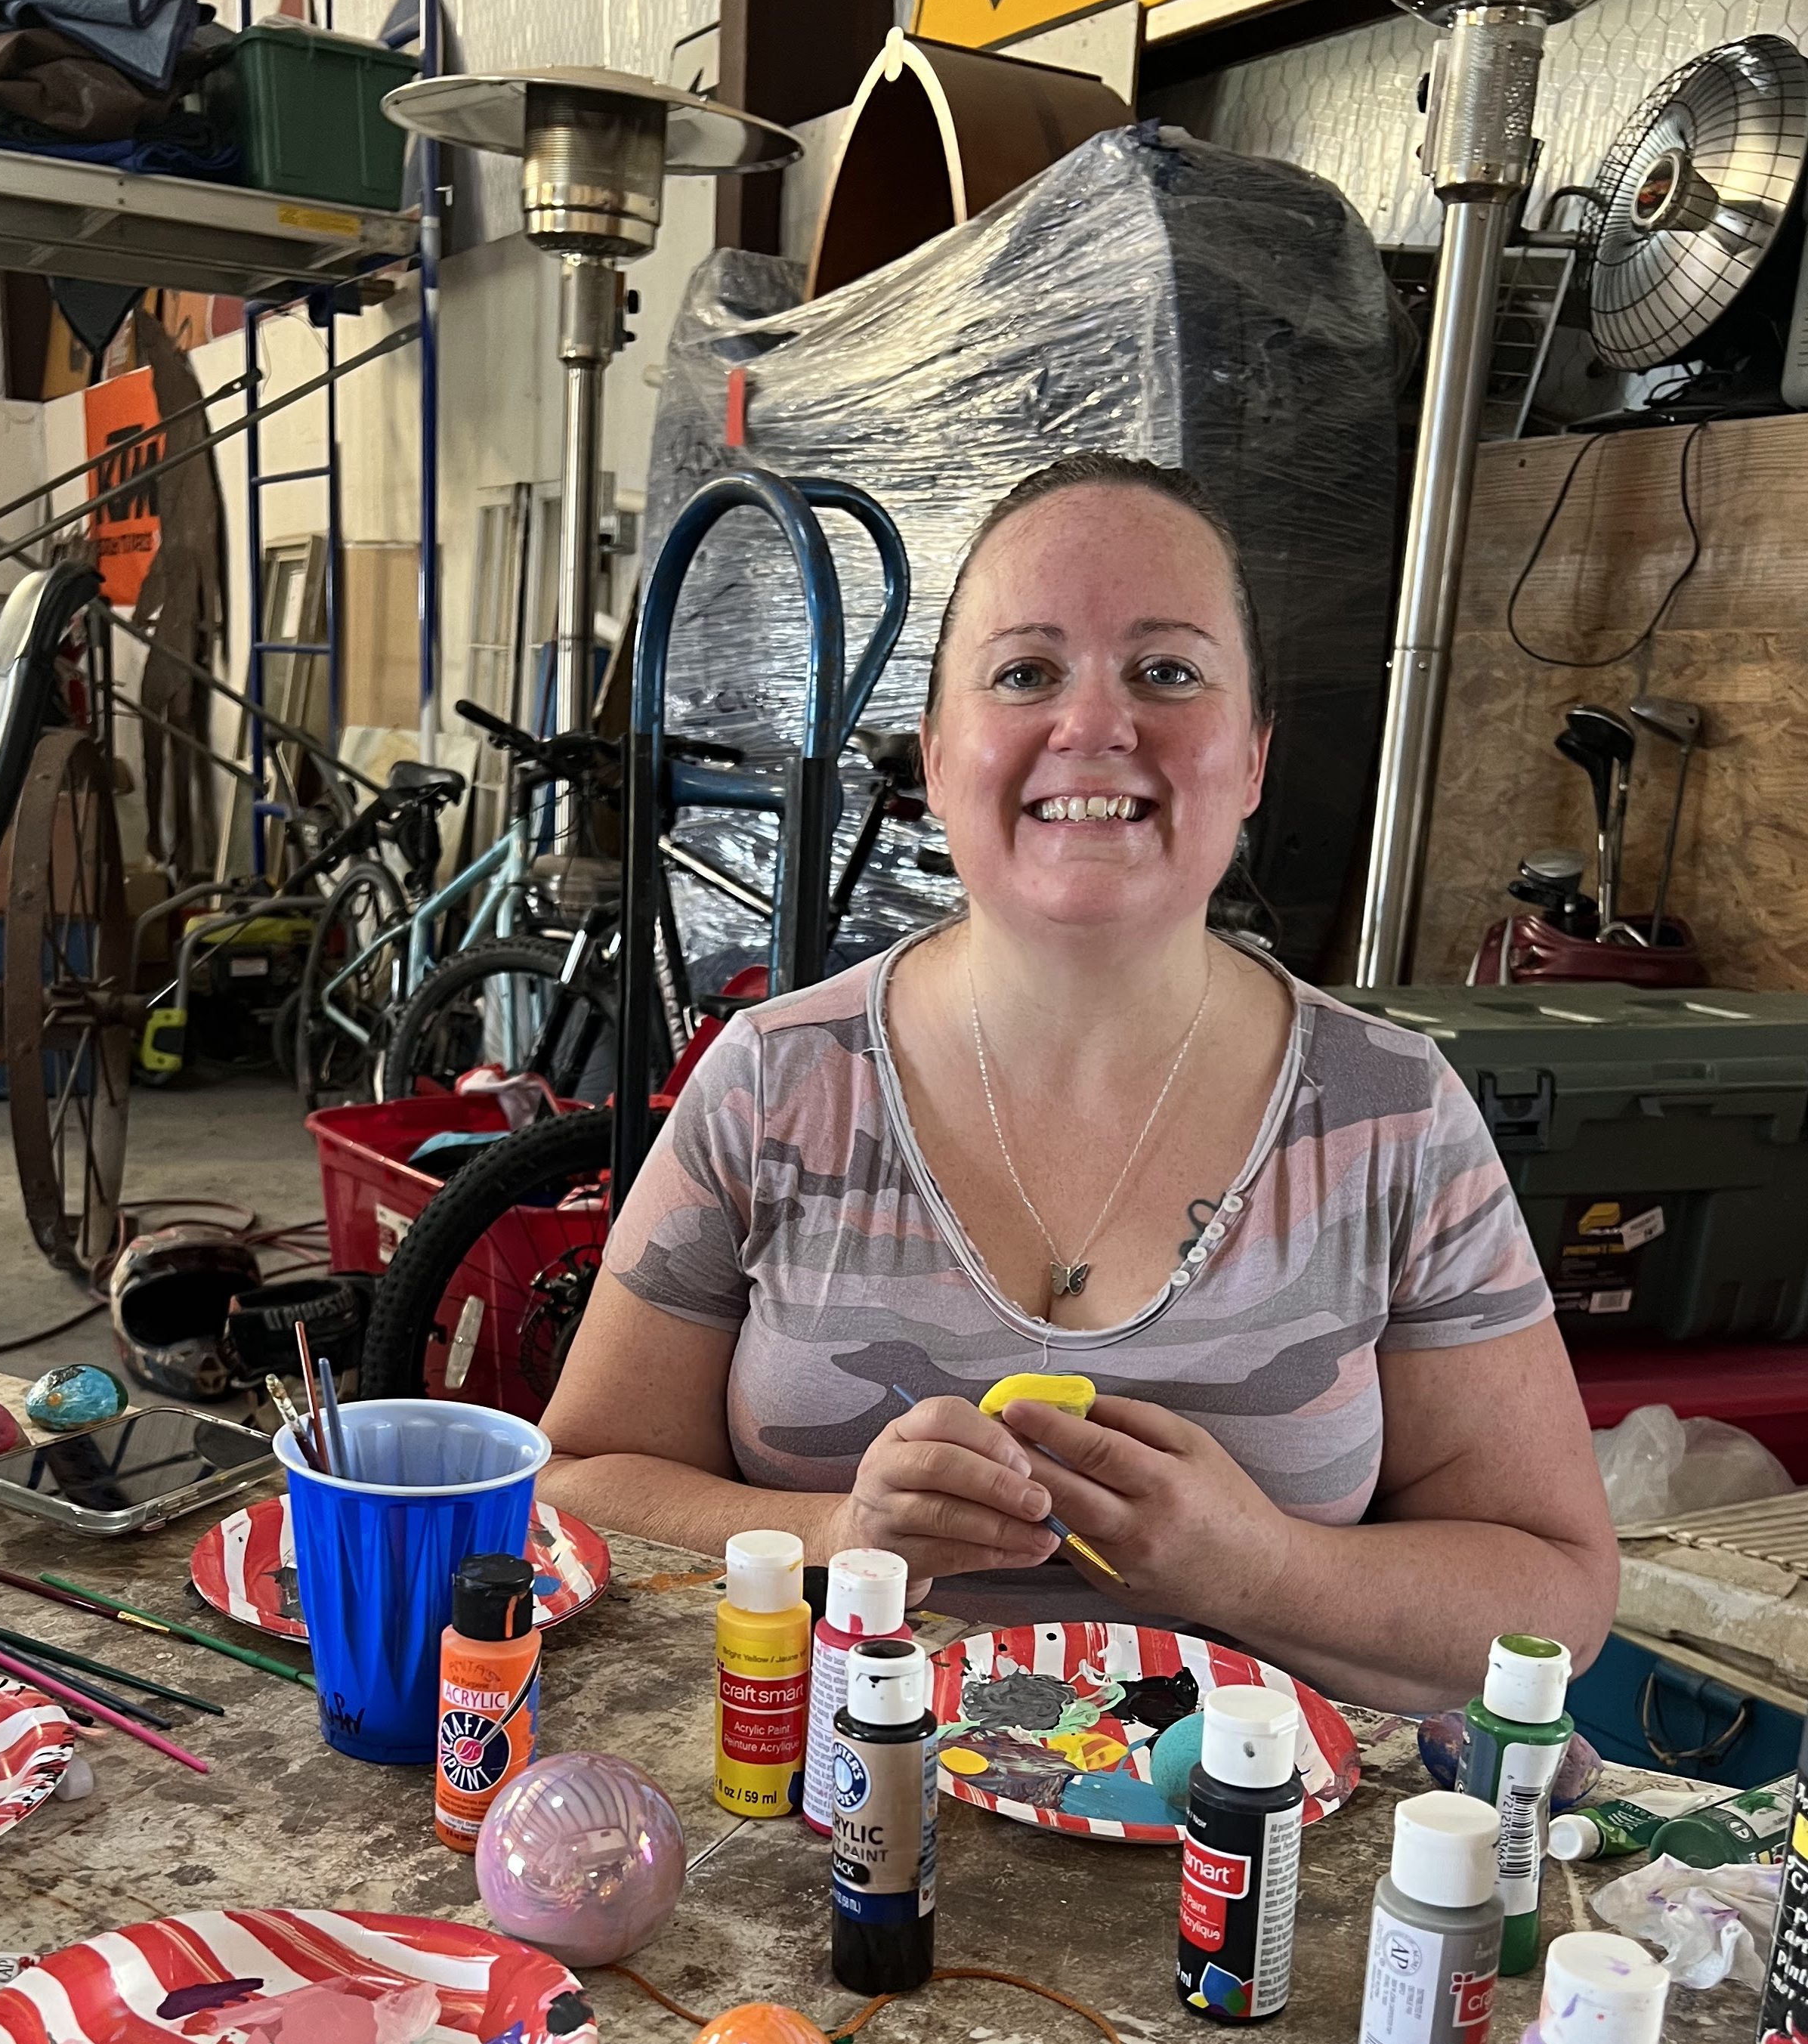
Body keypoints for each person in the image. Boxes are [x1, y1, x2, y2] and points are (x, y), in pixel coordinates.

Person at [539, 453, 1618, 1708]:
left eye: (1167, 671)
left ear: (1254, 759)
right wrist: (843, 1539)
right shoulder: (777, 1082)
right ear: (938, 760)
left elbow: (1558, 1598)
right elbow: (572, 1485)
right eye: (1025, 673)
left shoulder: (1394, 1116)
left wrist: (1259, 1569)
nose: (1095, 725)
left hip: (1256, 1873)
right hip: (813, 1845)